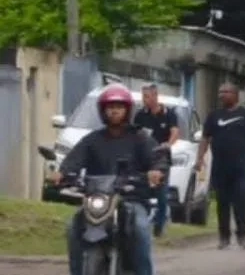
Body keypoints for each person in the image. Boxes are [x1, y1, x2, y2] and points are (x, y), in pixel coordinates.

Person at [51, 84, 168, 275]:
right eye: (110, 107)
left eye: (119, 107)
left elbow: (157, 157)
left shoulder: (140, 138)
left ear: (127, 110)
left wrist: (156, 171)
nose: (114, 111)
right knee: (73, 227)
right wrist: (62, 173)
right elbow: (74, 160)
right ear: (103, 110)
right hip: (98, 201)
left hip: (131, 199)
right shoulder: (93, 139)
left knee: (140, 228)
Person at [195, 82, 245, 250]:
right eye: (220, 92)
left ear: (236, 95)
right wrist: (199, 159)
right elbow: (205, 138)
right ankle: (224, 237)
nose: (222, 95)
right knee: (222, 202)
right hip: (220, 166)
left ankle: (242, 235)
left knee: (241, 202)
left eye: (226, 92)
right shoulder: (214, 116)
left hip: (241, 167)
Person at [132, 84, 179, 237]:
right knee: (141, 191)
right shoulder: (140, 115)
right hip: (144, 158)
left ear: (155, 96)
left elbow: (175, 132)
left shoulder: (169, 114)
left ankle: (159, 226)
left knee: (161, 195)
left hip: (161, 159)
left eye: (147, 96)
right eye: (143, 96)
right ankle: (142, 222)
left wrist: (168, 144)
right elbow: (134, 134)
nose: (144, 99)